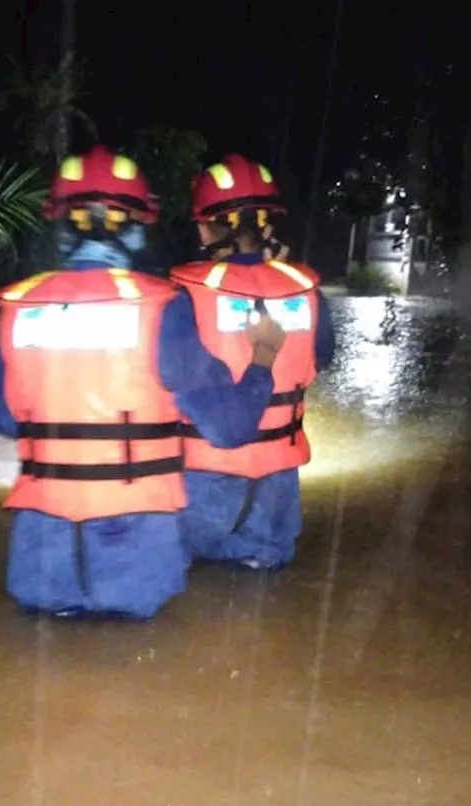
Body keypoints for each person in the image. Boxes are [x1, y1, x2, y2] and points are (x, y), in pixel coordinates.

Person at [0, 145, 287, 620]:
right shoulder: (163, 309)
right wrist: (263, 358)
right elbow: (230, 429)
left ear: (60, 228)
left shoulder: (16, 307)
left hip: (42, 564)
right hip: (136, 563)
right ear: (141, 227)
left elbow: (2, 418)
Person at [167, 154, 337, 572]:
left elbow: (167, 375)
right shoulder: (309, 291)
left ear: (208, 227)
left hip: (203, 492)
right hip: (277, 502)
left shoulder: (184, 296)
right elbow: (323, 357)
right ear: (267, 225)